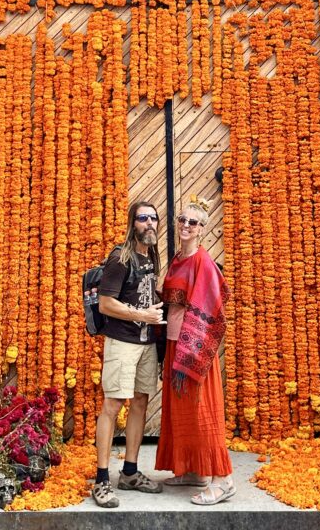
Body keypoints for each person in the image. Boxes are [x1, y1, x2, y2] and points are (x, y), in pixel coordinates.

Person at [155, 200, 235, 505]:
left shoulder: (203, 261)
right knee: (181, 411)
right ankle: (193, 470)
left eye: (194, 222)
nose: (187, 226)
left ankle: (223, 480)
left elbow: (213, 303)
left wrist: (191, 345)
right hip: (175, 342)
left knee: (203, 413)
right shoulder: (177, 259)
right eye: (183, 221)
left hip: (194, 346)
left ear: (202, 229)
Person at [91, 199, 166, 508]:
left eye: (153, 218)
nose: (148, 223)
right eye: (142, 218)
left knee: (140, 403)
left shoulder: (152, 257)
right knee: (111, 405)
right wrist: (141, 314)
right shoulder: (120, 258)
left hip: (147, 343)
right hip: (122, 342)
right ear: (132, 224)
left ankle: (131, 472)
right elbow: (106, 304)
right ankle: (101, 480)